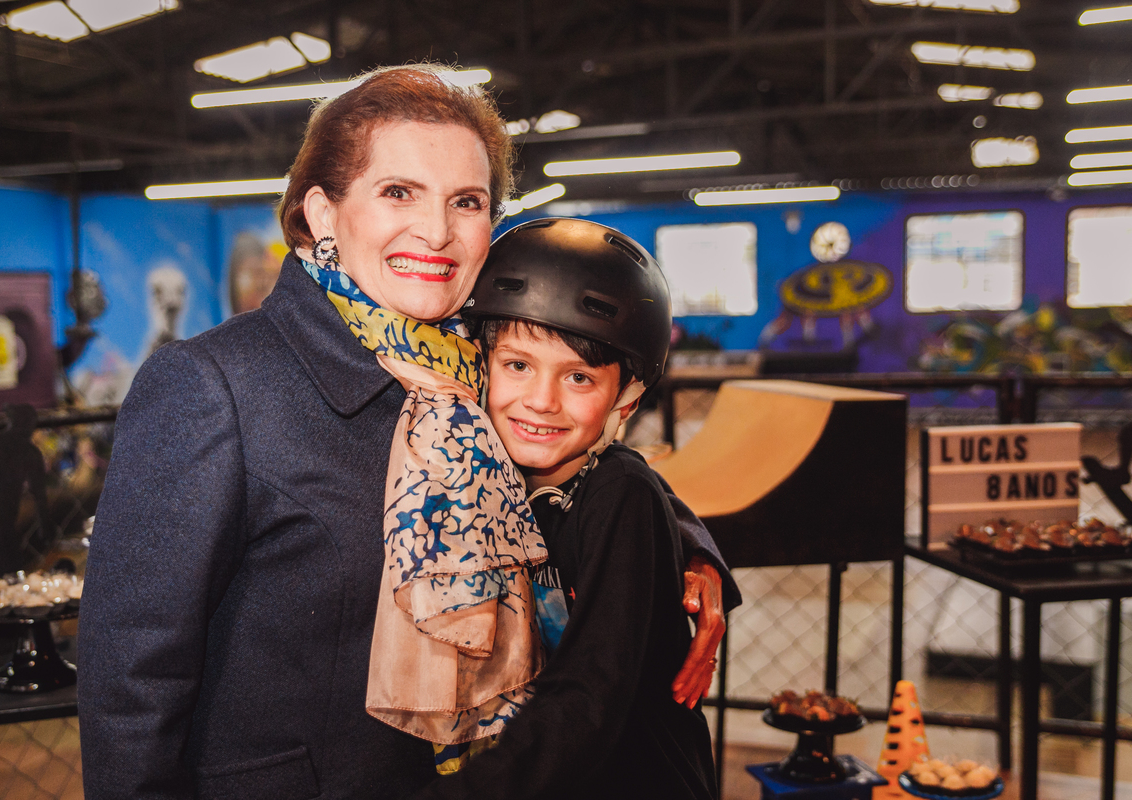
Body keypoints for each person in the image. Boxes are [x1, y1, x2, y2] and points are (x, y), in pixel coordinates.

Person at [77, 65, 730, 800]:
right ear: (323, 213)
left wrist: (686, 552)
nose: (437, 231)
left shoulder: (470, 369)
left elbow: (582, 465)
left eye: (466, 202)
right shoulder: (213, 386)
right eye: (398, 192)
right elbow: (132, 679)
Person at [410, 218, 720, 799]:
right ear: (481, 364)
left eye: (578, 377)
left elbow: (589, 696)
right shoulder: (487, 475)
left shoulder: (620, 495)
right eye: (518, 365)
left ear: (626, 398)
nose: (541, 401)